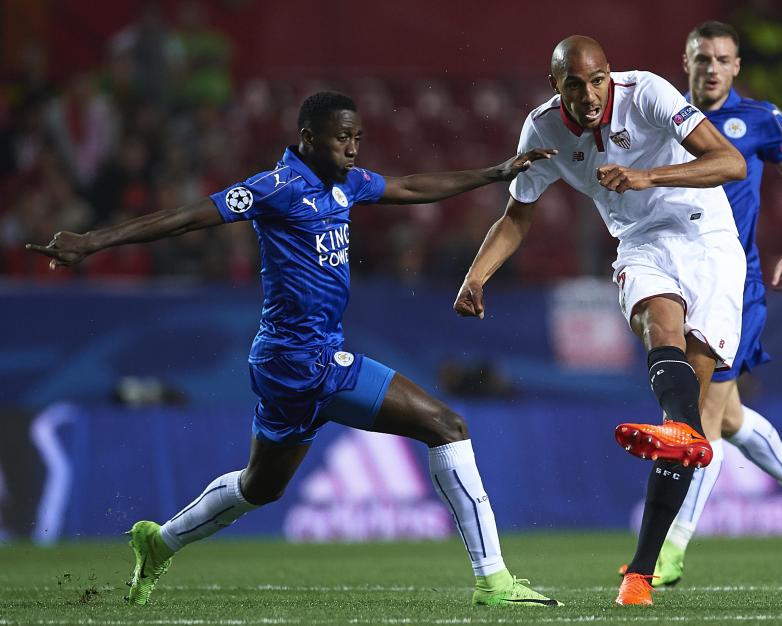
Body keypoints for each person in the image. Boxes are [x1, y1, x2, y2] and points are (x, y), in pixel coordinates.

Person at [26, 91, 562, 608]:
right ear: (308, 138)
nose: (353, 148)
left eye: (357, 137)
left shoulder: (346, 184)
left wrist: (494, 173)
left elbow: (412, 186)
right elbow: (190, 216)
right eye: (341, 138)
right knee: (447, 426)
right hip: (304, 359)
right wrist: (94, 241)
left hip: (291, 360)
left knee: (261, 486)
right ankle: (493, 580)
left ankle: (159, 542)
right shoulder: (276, 187)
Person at [453, 35, 747, 607]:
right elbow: (518, 214)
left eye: (597, 80)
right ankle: (679, 437)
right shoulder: (542, 130)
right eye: (575, 84)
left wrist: (648, 177)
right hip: (639, 243)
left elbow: (729, 162)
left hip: (705, 236)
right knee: (662, 333)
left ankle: (640, 572)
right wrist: (477, 274)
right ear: (554, 85)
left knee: (685, 421)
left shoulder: (649, 94)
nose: (590, 95)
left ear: (610, 75)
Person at [641, 21, 782, 588]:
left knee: (701, 420)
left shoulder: (760, 121)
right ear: (686, 61)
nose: (711, 68)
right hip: (680, 275)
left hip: (735, 284)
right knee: (722, 416)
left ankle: (670, 550)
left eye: (722, 59)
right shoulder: (663, 117)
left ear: (737, 67)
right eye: (702, 59)